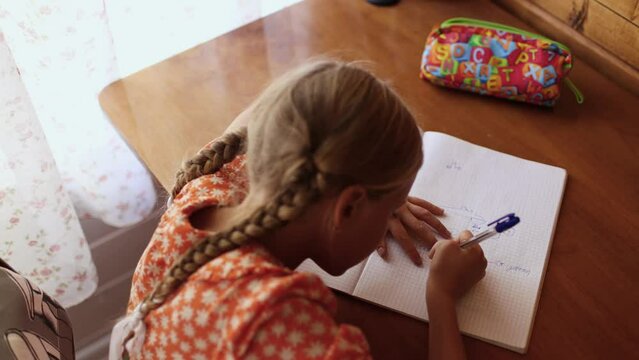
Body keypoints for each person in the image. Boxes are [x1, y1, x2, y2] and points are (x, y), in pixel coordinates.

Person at [110, 59, 487, 360]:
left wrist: (376, 187)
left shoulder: (204, 187)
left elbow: (274, 111)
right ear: (348, 206)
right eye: (391, 206)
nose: (394, 213)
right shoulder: (285, 328)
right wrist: (441, 297)